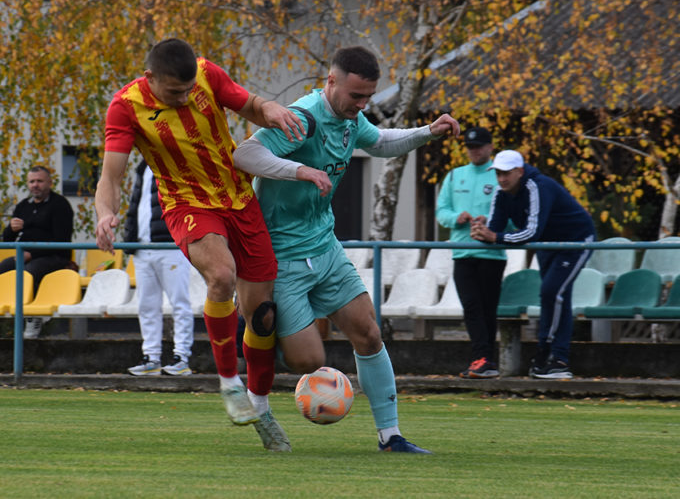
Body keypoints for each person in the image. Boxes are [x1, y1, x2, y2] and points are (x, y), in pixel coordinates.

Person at [233, 45, 459, 453]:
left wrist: (428, 131)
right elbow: (245, 154)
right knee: (307, 361)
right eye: (356, 95)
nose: (362, 104)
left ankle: (390, 436)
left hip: (325, 246)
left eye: (368, 96)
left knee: (369, 332)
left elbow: (380, 142)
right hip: (283, 255)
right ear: (331, 81)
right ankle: (251, 334)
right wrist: (300, 170)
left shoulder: (350, 118)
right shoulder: (303, 117)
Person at [95, 38, 305, 452]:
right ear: (150, 77)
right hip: (187, 203)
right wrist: (105, 213)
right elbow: (111, 176)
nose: (184, 98)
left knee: (262, 316)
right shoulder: (126, 107)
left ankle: (260, 407)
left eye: (189, 90)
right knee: (222, 276)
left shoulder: (208, 74)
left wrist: (271, 110)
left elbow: (250, 105)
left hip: (240, 199)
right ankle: (228, 381)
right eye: (175, 92)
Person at [470, 149, 595, 379]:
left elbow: (530, 232)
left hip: (575, 240)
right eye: (498, 174)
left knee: (552, 292)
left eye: (506, 173)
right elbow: (496, 229)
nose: (501, 179)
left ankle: (551, 356)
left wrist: (494, 236)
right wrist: (481, 230)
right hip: (547, 245)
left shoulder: (537, 186)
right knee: (555, 296)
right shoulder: (500, 193)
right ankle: (555, 359)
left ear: (519, 171)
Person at [435, 126, 507, 379]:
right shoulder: (455, 175)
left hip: (491, 254)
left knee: (487, 309)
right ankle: (483, 359)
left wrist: (490, 221)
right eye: (470, 147)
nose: (474, 151)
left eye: (479, 147)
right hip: (462, 252)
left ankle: (485, 360)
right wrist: (457, 218)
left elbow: (512, 217)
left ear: (490, 147)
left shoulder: (500, 176)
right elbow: (441, 211)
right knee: (471, 307)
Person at [0, 165, 74, 339]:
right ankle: (6, 314)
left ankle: (33, 316)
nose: (35, 185)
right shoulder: (23, 206)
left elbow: (61, 241)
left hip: (54, 256)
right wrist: (10, 229)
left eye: (39, 181)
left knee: (28, 273)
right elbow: (7, 240)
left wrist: (31, 254)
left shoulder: (60, 205)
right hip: (25, 255)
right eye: (32, 181)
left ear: (49, 183)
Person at [124, 160, 194, 376]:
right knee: (147, 305)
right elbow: (136, 205)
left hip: (171, 246)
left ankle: (181, 357)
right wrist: (130, 238)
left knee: (179, 303)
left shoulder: (172, 161)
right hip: (142, 247)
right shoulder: (142, 167)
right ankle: (151, 357)